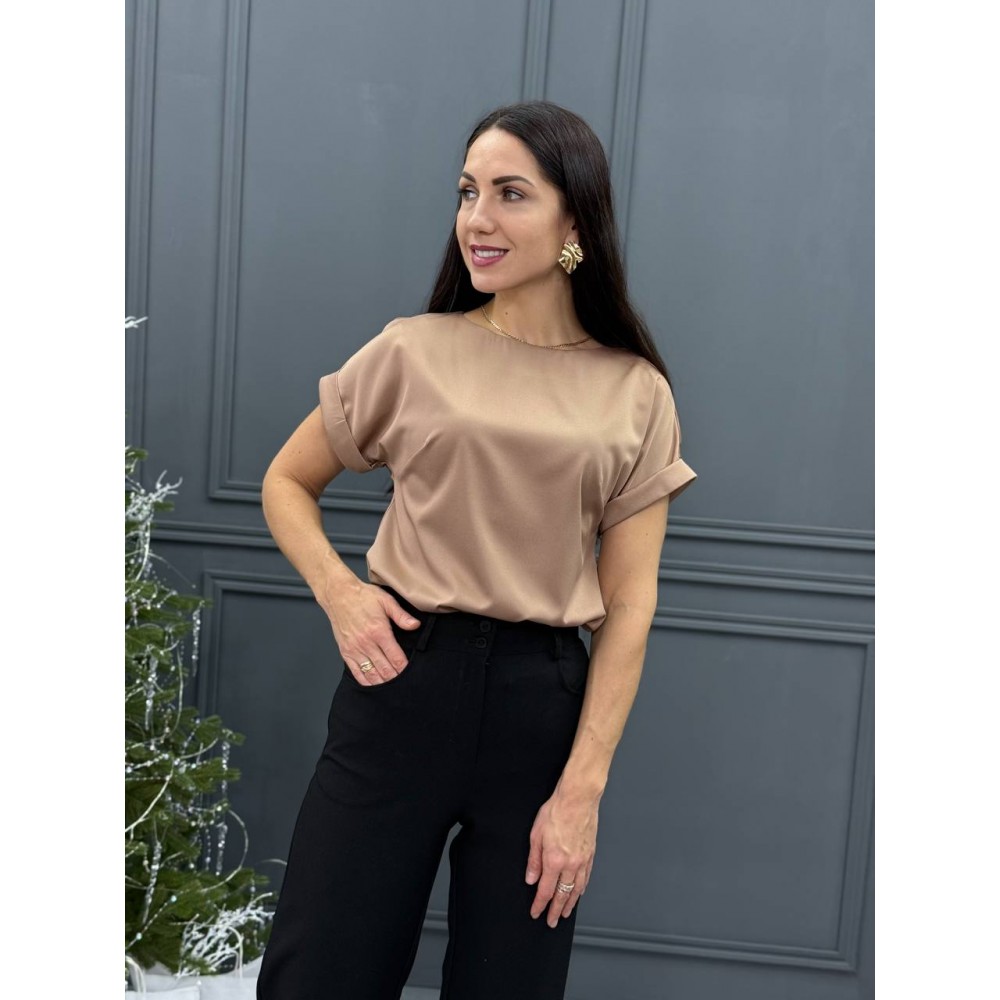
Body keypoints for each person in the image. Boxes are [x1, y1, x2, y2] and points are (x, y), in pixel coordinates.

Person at [255, 100, 696, 1000]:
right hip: (401, 688)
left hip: (542, 714)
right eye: (467, 193)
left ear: (575, 221)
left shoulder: (635, 390)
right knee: (320, 977)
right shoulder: (413, 352)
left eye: (510, 194)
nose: (477, 219)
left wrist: (581, 791)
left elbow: (631, 602)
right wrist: (342, 594)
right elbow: (286, 480)